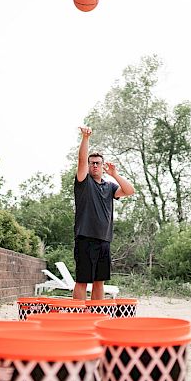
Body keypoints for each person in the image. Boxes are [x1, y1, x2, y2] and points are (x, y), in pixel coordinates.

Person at [73, 126, 135, 300]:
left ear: (102, 165)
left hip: (104, 240)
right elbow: (81, 161)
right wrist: (85, 137)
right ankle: (78, 318)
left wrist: (115, 174)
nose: (94, 165)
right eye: (91, 162)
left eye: (97, 163)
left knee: (99, 281)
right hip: (85, 238)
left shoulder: (110, 187)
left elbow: (129, 191)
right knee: (82, 281)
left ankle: (95, 316)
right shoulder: (83, 182)